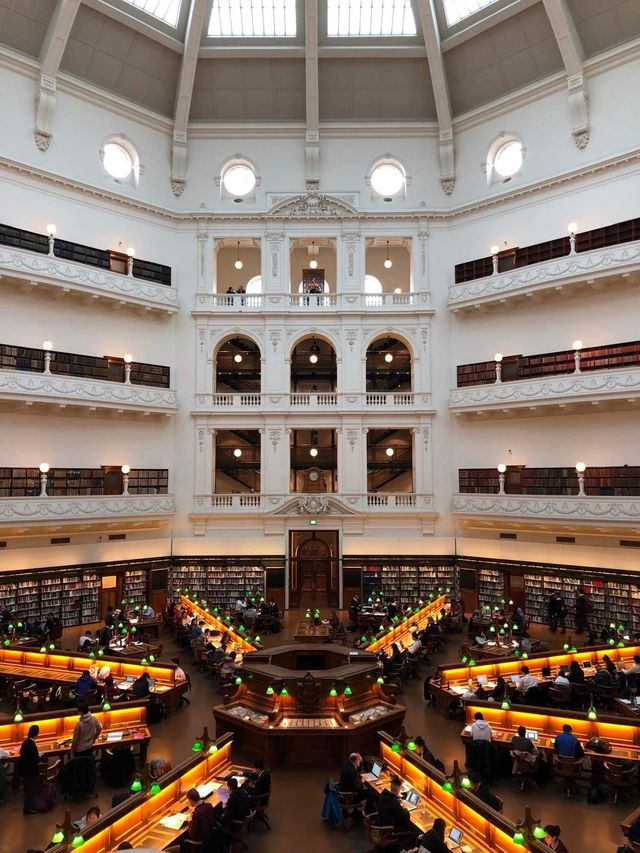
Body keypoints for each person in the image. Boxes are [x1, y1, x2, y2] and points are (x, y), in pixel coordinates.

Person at [166, 788, 217, 852]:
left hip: (200, 841)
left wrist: (190, 820)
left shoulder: (197, 814)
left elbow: (192, 834)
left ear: (191, 800)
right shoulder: (209, 805)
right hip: (209, 837)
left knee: (181, 840)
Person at [376, 775, 420, 848]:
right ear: (397, 789)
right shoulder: (393, 801)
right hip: (389, 830)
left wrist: (398, 803)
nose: (400, 790)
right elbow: (405, 816)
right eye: (400, 788)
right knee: (414, 832)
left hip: (381, 824)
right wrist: (405, 808)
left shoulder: (384, 794)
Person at [19, 725, 42, 814]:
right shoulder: (32, 745)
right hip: (31, 771)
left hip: (24, 770)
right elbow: (35, 760)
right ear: (36, 734)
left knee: (27, 789)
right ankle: (29, 809)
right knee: (31, 790)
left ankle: (28, 808)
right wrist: (41, 756)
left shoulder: (25, 742)